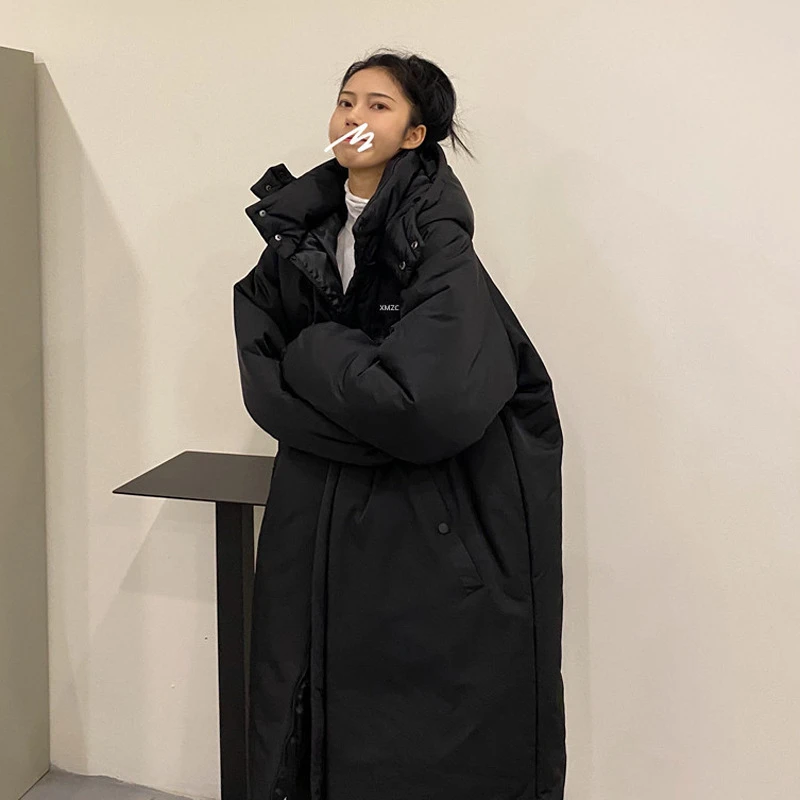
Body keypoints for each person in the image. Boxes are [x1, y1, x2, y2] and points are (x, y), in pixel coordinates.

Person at [233, 48, 566, 800]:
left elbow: (424, 405)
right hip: (315, 513)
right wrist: (357, 402)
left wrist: (316, 352)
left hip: (417, 525)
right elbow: (261, 378)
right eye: (346, 100)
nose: (354, 116)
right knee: (299, 711)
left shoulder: (437, 242)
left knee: (411, 736)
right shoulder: (300, 233)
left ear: (415, 135)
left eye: (378, 105)